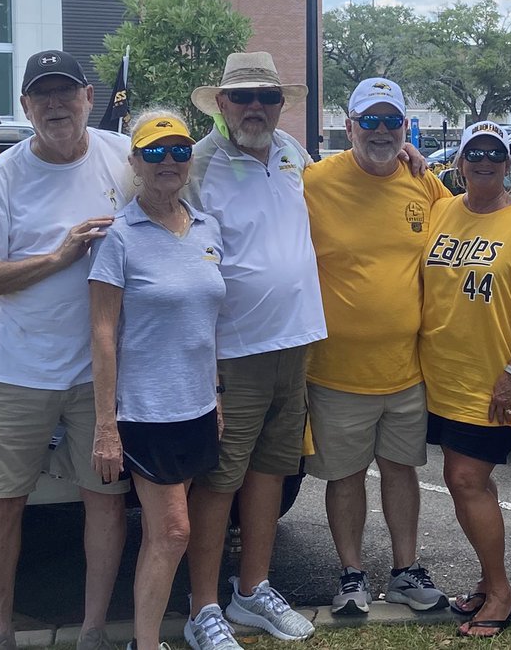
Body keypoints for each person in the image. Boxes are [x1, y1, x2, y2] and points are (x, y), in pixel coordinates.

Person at [0, 51, 132, 650]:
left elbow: (184, 176)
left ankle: (92, 631)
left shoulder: (120, 155)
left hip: (98, 370)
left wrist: (409, 158)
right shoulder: (3, 174)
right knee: (2, 504)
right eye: (42, 96)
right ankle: (0, 632)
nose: (56, 105)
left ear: (88, 95)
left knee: (104, 502)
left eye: (67, 93)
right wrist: (57, 258)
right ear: (27, 105)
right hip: (16, 369)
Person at [181, 51, 324, 650]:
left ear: (282, 103)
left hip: (294, 340)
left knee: (272, 468)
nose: (256, 108)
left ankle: (253, 588)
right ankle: (203, 607)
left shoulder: (294, 153)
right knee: (219, 479)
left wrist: (411, 159)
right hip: (232, 351)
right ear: (221, 104)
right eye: (243, 97)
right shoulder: (198, 164)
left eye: (267, 97)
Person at [303, 77, 451, 616]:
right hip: (335, 369)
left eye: (393, 121)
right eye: (371, 121)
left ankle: (406, 571)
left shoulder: (424, 183)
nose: (382, 132)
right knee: (344, 478)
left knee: (400, 470)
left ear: (406, 128)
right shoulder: (313, 182)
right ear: (350, 127)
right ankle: (351, 576)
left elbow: (463, 226)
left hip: (407, 369)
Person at [89, 111, 225, 650]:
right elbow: (102, 332)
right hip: (144, 411)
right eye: (154, 152)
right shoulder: (118, 236)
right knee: (174, 532)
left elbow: (206, 323)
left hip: (194, 406)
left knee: (160, 534)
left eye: (178, 150)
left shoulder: (207, 229)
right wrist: (106, 426)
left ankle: (145, 639)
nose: (168, 162)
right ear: (135, 163)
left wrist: (214, 394)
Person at [419, 121, 511, 639]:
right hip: (441, 379)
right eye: (473, 153)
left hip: (493, 383)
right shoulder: (442, 210)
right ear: (459, 163)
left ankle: (501, 592)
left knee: (465, 480)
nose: (483, 162)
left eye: (494, 155)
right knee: (466, 483)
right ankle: (486, 581)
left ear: (507, 165)